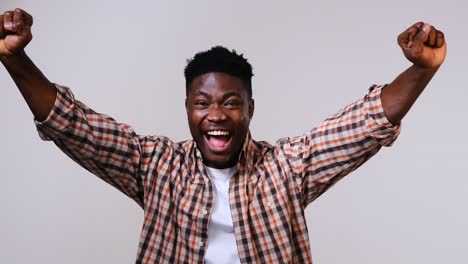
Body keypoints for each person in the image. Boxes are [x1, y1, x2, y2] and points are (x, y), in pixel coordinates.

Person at [0, 8, 446, 264]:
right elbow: (73, 126)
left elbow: (362, 126)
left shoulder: (286, 168)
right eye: (202, 102)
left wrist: (421, 70)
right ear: (188, 108)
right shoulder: (155, 165)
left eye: (231, 102)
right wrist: (15, 59)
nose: (216, 115)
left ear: (251, 109)